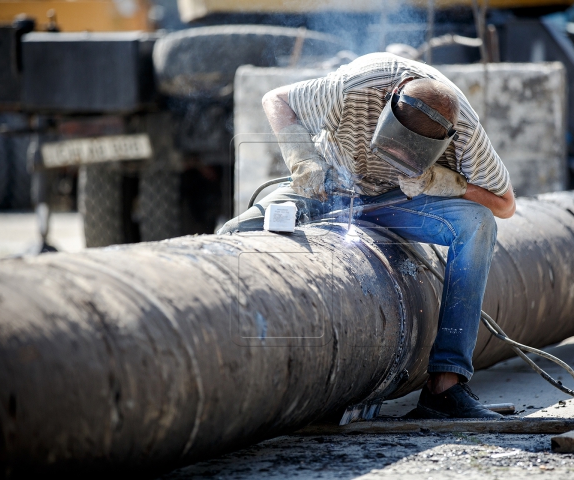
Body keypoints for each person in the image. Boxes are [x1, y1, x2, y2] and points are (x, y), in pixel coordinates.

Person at [219, 52, 516, 419]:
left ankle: (445, 386)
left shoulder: (465, 131)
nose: (394, 157)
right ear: (390, 98)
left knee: (478, 225)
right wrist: (304, 162)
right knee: (233, 233)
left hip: (399, 204)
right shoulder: (353, 87)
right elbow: (276, 100)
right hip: (329, 189)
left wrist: (445, 182)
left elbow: (504, 204)